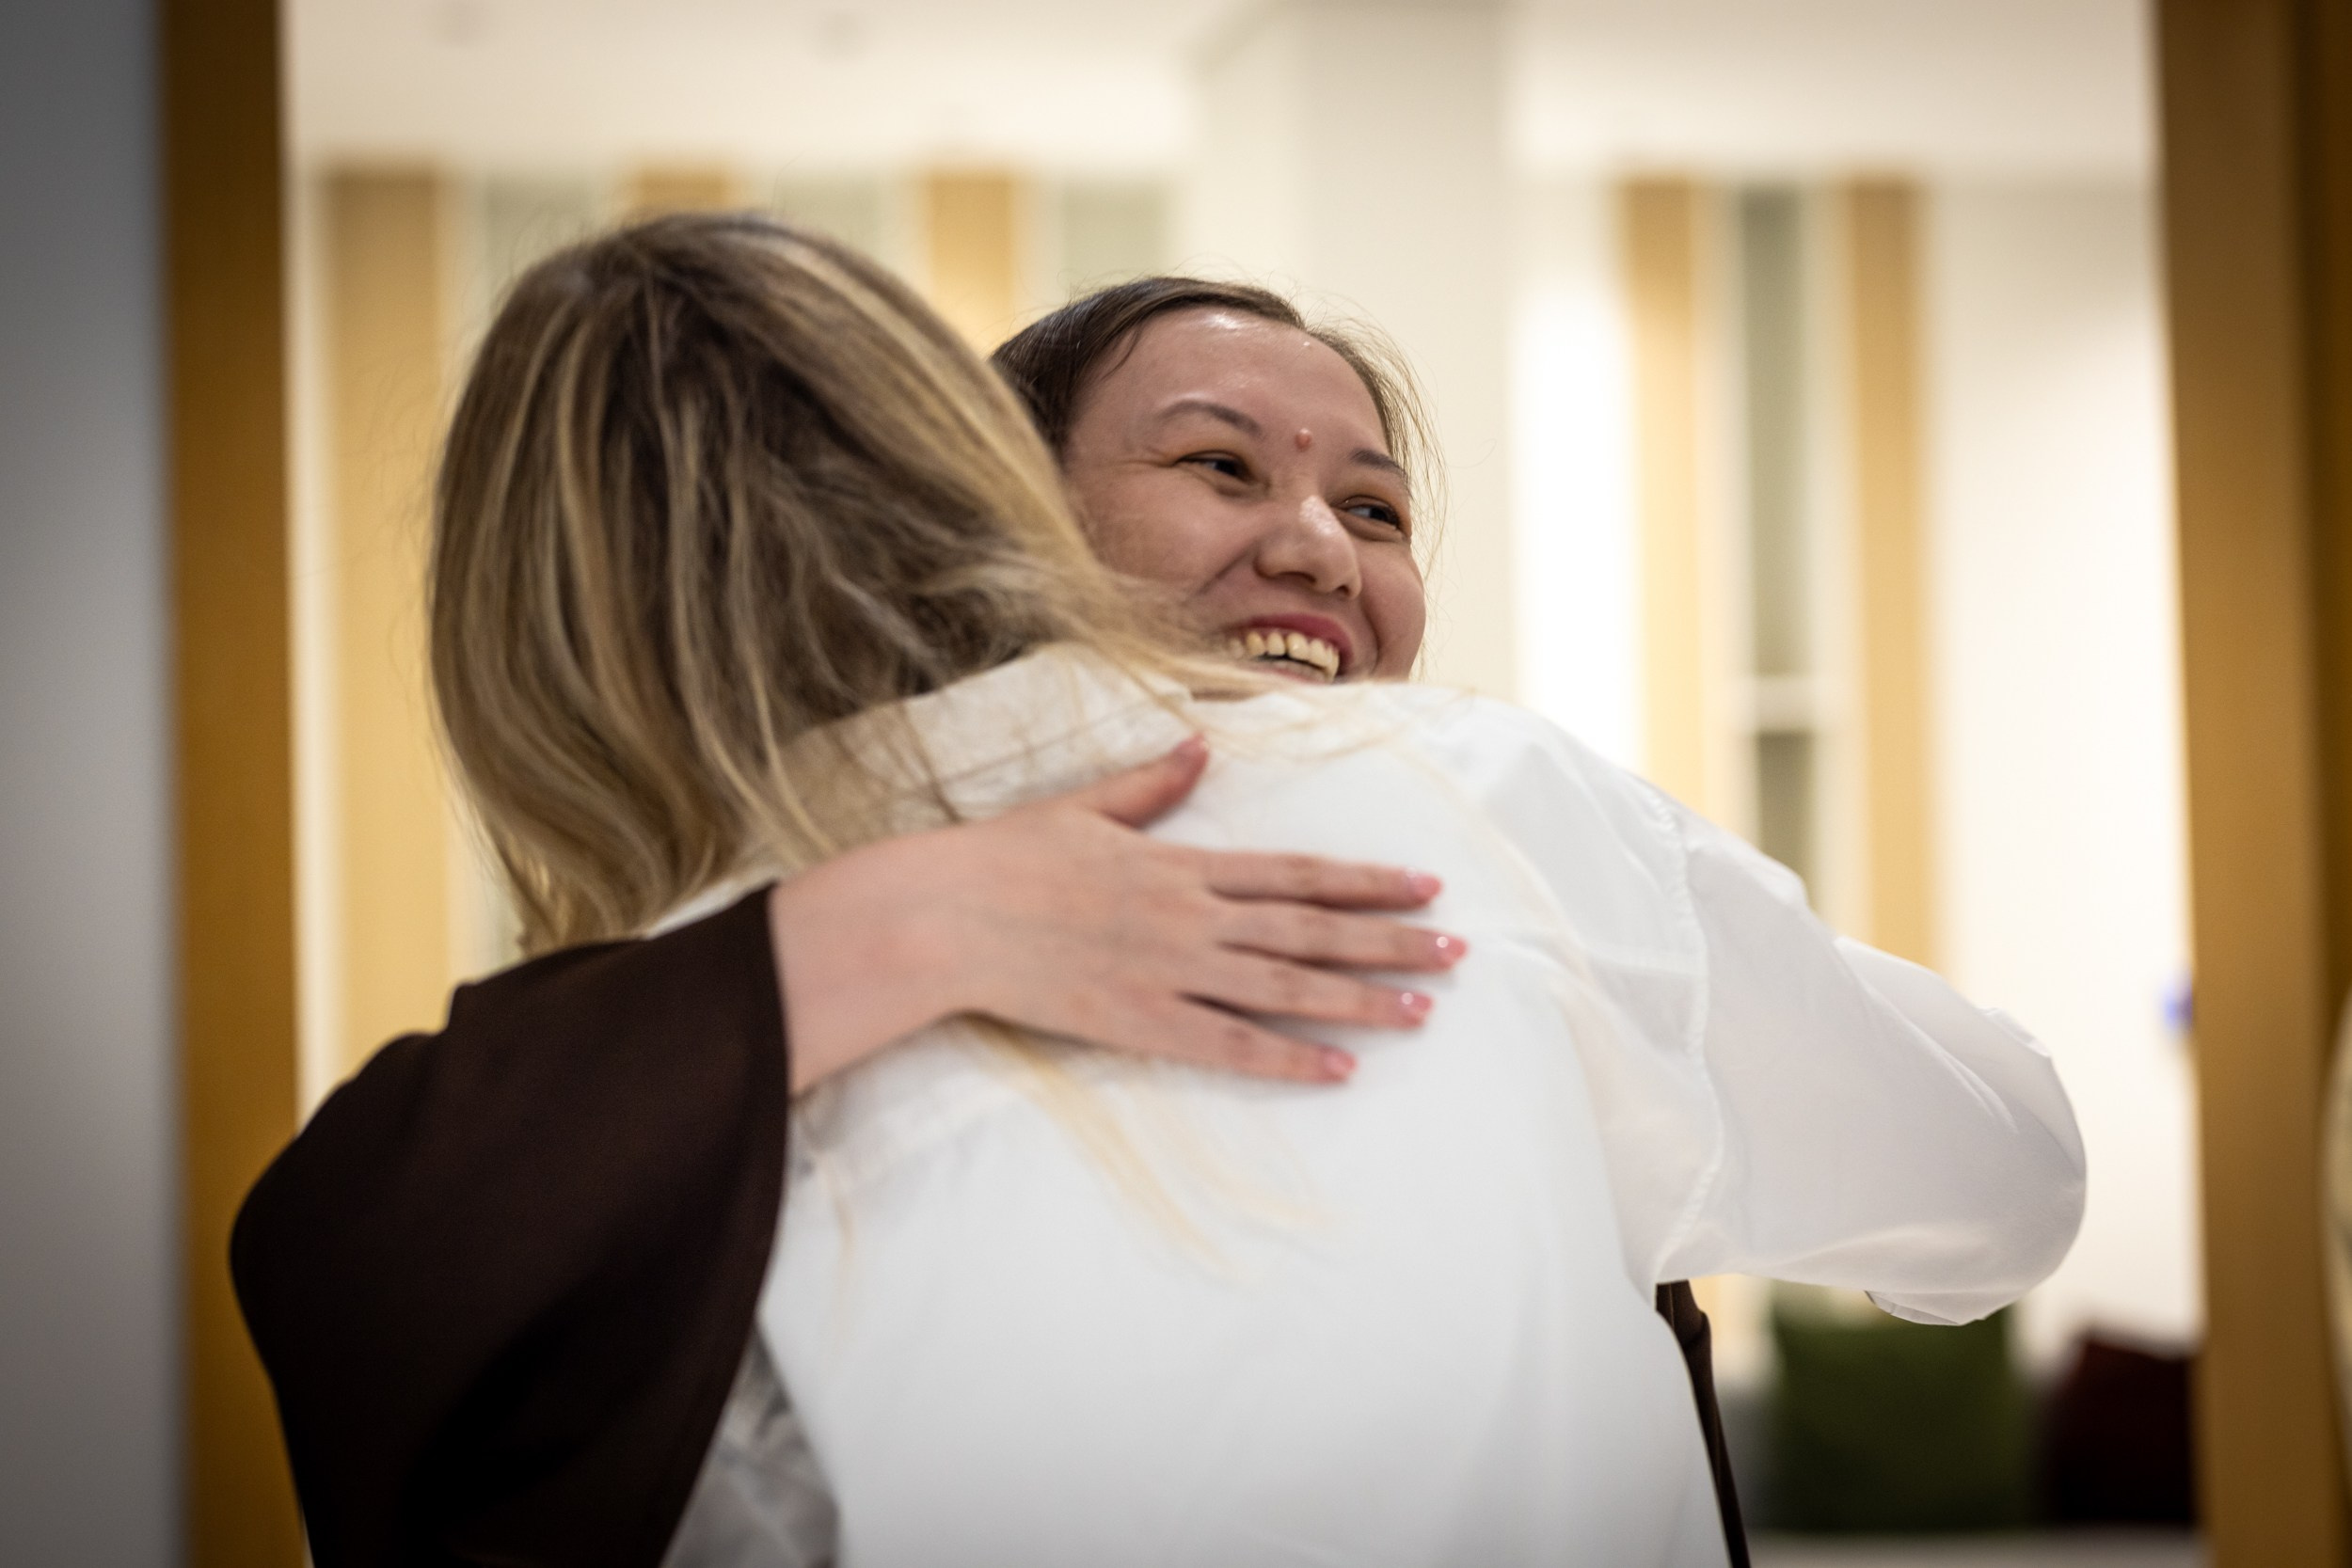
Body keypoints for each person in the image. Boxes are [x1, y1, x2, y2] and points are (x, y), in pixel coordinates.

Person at [234, 216, 2083, 1565]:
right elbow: (2003, 1181)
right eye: (1216, 467)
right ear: (1003, 512)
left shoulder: (680, 1019)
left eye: (1375, 510)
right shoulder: (1471, 805)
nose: (1314, 542)